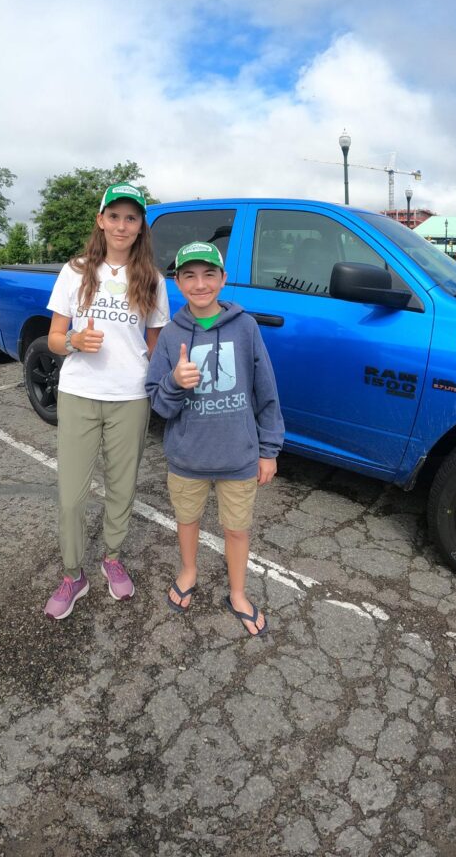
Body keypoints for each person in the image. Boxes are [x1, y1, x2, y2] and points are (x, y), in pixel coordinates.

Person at [43, 183, 170, 620]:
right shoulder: (75, 271)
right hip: (79, 393)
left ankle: (112, 557)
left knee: (122, 487)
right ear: (100, 220)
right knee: (71, 496)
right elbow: (54, 339)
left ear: (140, 227)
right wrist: (75, 340)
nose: (121, 225)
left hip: (130, 396)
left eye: (130, 218)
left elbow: (155, 348)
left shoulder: (152, 278)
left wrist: (176, 383)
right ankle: (73, 574)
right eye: (113, 216)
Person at [146, 241, 284, 637]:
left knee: (237, 529)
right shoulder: (172, 336)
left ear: (223, 279)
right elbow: (158, 402)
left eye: (209, 274)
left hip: (238, 457)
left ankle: (238, 593)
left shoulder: (245, 327)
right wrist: (175, 382)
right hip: (187, 457)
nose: (200, 283)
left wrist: (268, 450)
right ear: (177, 281)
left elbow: (266, 391)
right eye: (189, 275)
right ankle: (188, 571)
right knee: (187, 520)